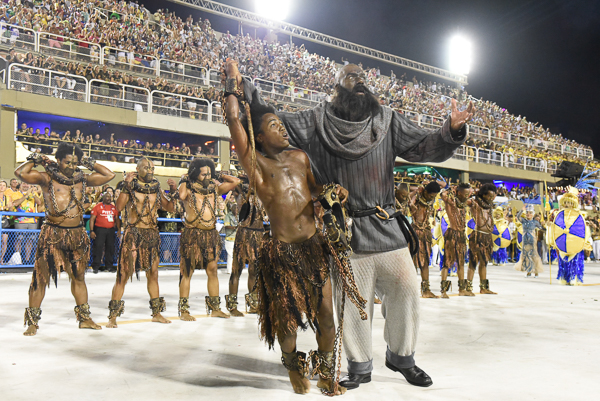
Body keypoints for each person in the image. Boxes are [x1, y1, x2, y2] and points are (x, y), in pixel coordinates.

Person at [224, 60, 472, 389]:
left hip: (387, 226)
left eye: (362, 77)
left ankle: (401, 357)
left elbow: (425, 145)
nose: (359, 81)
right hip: (345, 233)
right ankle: (359, 366)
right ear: (336, 86)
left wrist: (452, 129)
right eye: (350, 77)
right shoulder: (315, 120)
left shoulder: (388, 120)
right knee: (353, 305)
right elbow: (267, 123)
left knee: (408, 291)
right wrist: (243, 88)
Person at [224, 77, 365, 396]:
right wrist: (232, 84)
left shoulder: (300, 157)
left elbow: (314, 189)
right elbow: (234, 119)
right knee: (286, 322)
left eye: (282, 124)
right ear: (259, 136)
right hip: (282, 254)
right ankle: (293, 367)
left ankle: (327, 371)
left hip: (314, 248)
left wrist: (331, 192)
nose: (282, 128)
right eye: (274, 125)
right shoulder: (255, 164)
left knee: (327, 316)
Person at [15, 144, 115, 336]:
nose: (71, 166)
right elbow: (20, 173)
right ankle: (33, 322)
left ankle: (84, 318)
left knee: (79, 277)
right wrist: (35, 159)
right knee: (40, 279)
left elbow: (109, 175)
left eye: (75, 163)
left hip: (77, 235)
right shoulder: (46, 178)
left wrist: (87, 161)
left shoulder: (82, 179)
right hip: (52, 234)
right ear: (59, 160)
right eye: (68, 162)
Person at [107, 158, 177, 328]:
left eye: (152, 167)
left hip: (151, 234)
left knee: (153, 274)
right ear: (138, 169)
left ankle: (157, 313)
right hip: (134, 233)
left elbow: (170, 208)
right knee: (123, 274)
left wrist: (173, 189)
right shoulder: (130, 186)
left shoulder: (156, 188)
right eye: (146, 167)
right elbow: (118, 206)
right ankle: (113, 316)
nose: (150, 170)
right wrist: (125, 184)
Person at [174, 158, 240, 320]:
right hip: (192, 234)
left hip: (210, 235)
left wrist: (221, 176)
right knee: (187, 272)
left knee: (213, 272)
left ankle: (215, 308)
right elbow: (181, 195)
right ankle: (184, 311)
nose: (207, 177)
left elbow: (236, 181)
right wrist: (184, 178)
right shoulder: (189, 188)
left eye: (209, 174)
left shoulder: (214, 189)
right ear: (196, 174)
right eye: (204, 174)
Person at [227, 188, 266, 316]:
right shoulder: (241, 193)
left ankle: (253, 304)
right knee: (236, 270)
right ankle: (232, 306)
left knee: (254, 271)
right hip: (244, 234)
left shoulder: (264, 194)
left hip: (259, 235)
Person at [439, 183, 473, 297]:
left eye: (468, 194)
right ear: (458, 193)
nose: (467, 196)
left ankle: (462, 289)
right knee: (447, 262)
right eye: (465, 194)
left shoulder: (464, 203)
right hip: (452, 234)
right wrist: (449, 188)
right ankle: (443, 290)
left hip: (462, 235)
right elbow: (442, 195)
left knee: (461, 262)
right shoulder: (450, 201)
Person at [409, 181, 441, 298]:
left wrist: (429, 182)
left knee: (425, 262)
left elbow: (443, 185)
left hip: (426, 233)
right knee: (413, 263)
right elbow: (407, 194)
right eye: (430, 195)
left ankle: (426, 290)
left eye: (434, 196)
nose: (432, 198)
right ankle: (410, 291)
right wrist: (418, 189)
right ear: (425, 192)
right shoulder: (416, 198)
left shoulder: (430, 200)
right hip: (414, 233)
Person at [467, 183, 498, 294]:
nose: (491, 198)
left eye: (492, 196)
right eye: (489, 196)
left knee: (484, 262)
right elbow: (463, 201)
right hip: (477, 236)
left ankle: (484, 288)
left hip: (487, 237)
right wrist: (472, 192)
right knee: (473, 262)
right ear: (483, 194)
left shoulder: (490, 205)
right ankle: (468, 287)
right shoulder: (474, 203)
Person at [11, 182, 42, 264]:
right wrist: (26, 195)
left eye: (28, 184)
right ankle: (18, 259)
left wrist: (33, 194)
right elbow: (15, 203)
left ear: (30, 185)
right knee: (19, 239)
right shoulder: (16, 194)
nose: (26, 185)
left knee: (30, 240)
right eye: (24, 184)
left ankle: (27, 260)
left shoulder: (34, 193)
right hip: (20, 220)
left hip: (32, 220)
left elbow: (39, 203)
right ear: (21, 184)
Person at [90, 191, 120, 274]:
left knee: (110, 248)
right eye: (106, 197)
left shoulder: (114, 207)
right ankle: (96, 266)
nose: (108, 199)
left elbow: (117, 219)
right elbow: (92, 219)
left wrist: (119, 229)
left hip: (110, 230)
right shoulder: (97, 207)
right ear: (103, 198)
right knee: (98, 247)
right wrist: (92, 230)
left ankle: (109, 266)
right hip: (99, 229)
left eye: (109, 197)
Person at [514, 205, 544, 277]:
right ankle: (529, 271)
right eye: (527, 213)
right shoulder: (523, 221)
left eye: (530, 213)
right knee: (526, 255)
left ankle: (536, 271)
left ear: (533, 214)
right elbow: (518, 217)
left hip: (532, 240)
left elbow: (541, 228)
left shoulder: (535, 222)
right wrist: (521, 210)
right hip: (525, 240)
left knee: (534, 255)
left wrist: (545, 225)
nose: (528, 214)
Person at [0, 180, 14, 264]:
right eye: (0, 185)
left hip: (4, 221)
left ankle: (1, 259)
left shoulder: (8, 197)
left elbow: (11, 210)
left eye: (3, 185)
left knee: (4, 241)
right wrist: (4, 207)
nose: (1, 187)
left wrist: (11, 206)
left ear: (6, 187)